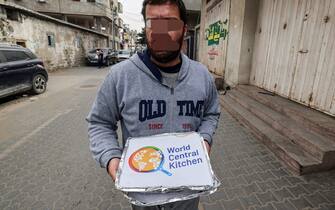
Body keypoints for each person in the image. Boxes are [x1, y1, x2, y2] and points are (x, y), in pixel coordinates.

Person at [86, 0, 220, 209]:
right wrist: (112, 159)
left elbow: (211, 114)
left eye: (170, 23)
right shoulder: (120, 77)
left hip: (187, 195)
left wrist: (204, 140)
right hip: (143, 199)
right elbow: (100, 123)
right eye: (153, 23)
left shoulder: (202, 76)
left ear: (184, 29)